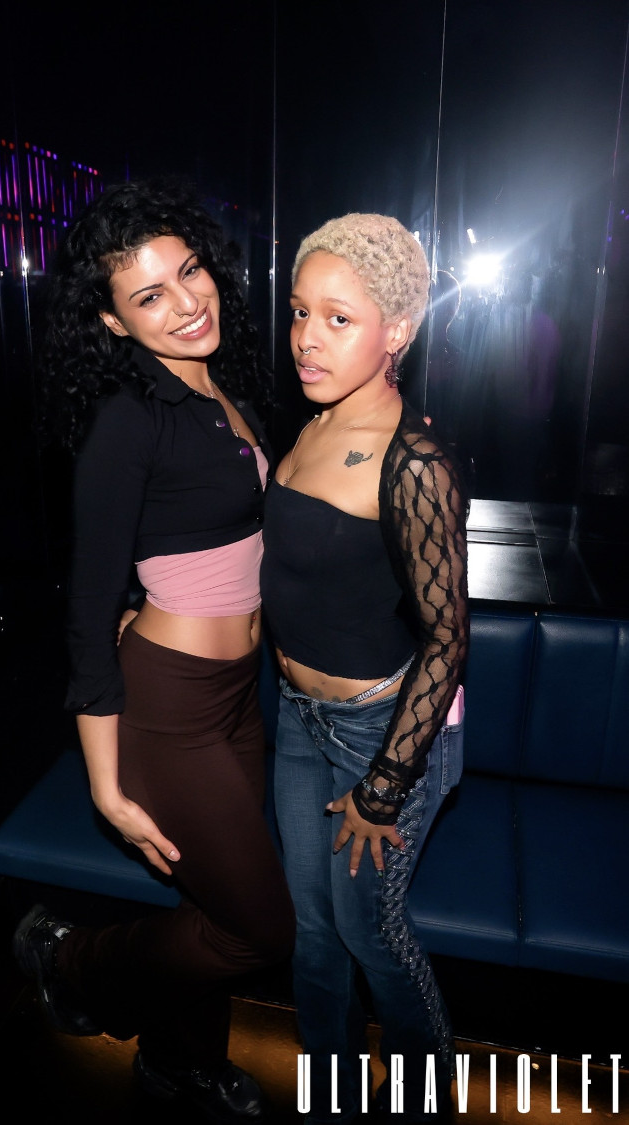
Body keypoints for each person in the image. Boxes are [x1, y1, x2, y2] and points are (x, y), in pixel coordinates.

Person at [12, 176, 295, 1123]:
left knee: (213, 911)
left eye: (190, 272)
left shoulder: (216, 384)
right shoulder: (125, 420)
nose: (185, 302)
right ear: (112, 320)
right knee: (262, 929)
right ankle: (70, 958)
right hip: (169, 711)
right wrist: (106, 786)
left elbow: (206, 542)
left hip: (236, 694)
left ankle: (181, 1061)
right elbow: (89, 613)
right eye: (149, 295)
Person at [260, 213, 469, 1124]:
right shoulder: (310, 425)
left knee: (367, 932)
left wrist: (384, 786)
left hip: (381, 733)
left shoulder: (414, 463)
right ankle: (332, 1095)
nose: (307, 337)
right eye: (300, 311)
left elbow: (448, 638)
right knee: (311, 931)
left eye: (338, 318)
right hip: (297, 719)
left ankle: (424, 1098)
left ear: (399, 330)